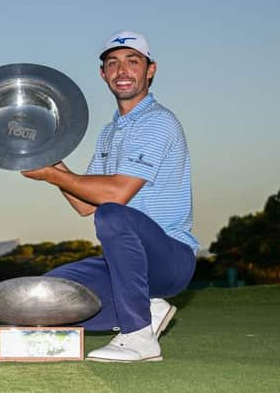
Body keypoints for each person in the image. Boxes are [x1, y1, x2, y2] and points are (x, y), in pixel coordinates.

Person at [21, 30, 199, 362]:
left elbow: (116, 194)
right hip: (125, 265)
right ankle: (146, 309)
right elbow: (84, 204)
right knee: (43, 295)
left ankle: (138, 337)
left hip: (170, 259)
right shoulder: (109, 132)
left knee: (112, 214)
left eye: (133, 62)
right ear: (103, 74)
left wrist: (52, 174)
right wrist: (51, 161)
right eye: (113, 63)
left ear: (151, 70)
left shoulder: (158, 122)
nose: (122, 71)